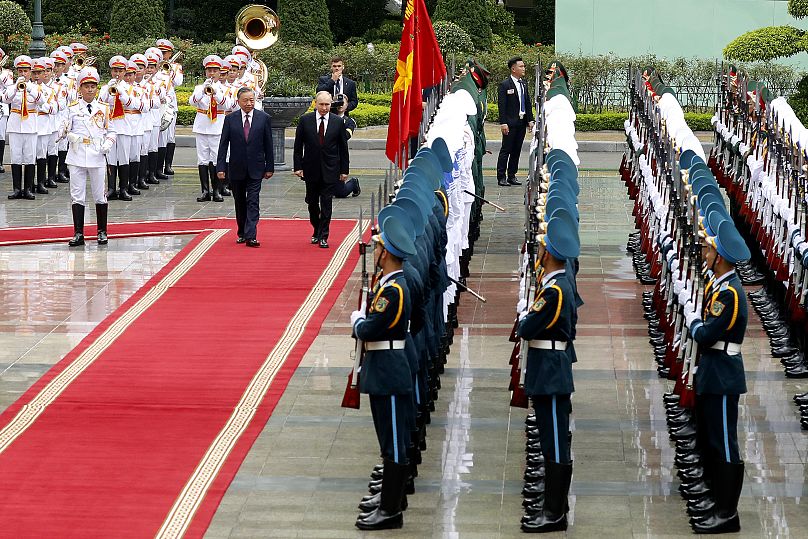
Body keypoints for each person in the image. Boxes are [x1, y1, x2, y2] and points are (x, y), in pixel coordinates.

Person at [680, 217, 749, 534]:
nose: (704, 254)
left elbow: (707, 334)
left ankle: (727, 512)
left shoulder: (730, 295)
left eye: (708, 250)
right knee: (711, 438)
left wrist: (693, 321)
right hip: (712, 371)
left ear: (720, 257)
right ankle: (715, 500)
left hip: (722, 375)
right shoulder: (719, 286)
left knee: (724, 442)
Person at [350, 214, 416, 531]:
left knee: (393, 443)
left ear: (386, 253)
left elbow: (372, 327)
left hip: (388, 372)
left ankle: (390, 510)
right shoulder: (390, 286)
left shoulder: (394, 291)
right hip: (385, 369)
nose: (373, 252)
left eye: (376, 248)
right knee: (389, 441)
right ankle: (390, 501)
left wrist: (357, 323)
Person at [517, 216, 579, 533]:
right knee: (550, 440)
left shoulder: (554, 290)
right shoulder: (556, 284)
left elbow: (527, 328)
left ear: (550, 253)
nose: (538, 252)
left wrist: (525, 314)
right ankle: (554, 505)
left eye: (542, 248)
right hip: (550, 368)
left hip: (551, 371)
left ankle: (554, 512)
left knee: (554, 442)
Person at [216, 87, 274, 247]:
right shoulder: (230, 119)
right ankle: (242, 231)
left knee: (253, 200)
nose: (249, 103)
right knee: (240, 201)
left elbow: (269, 145)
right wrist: (220, 167)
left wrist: (270, 167)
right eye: (245, 100)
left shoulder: (264, 118)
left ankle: (251, 235)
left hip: (256, 168)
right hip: (236, 168)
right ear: (238, 101)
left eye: (251, 100)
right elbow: (223, 145)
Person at [65, 67, 115, 247]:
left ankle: (102, 232)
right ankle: (78, 233)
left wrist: (108, 144)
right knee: (77, 195)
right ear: (80, 88)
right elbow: (62, 130)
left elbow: (112, 131)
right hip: (77, 154)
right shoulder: (71, 108)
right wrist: (69, 135)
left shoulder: (104, 108)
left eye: (93, 86)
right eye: (86, 86)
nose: (90, 89)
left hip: (96, 154)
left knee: (100, 195)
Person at [293, 91, 350, 249]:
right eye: (321, 104)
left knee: (326, 202)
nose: (324, 108)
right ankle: (316, 228)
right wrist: (298, 166)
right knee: (312, 203)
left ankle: (324, 235)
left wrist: (344, 170)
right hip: (310, 168)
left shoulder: (338, 122)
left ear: (331, 104)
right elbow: (298, 146)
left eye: (327, 104)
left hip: (331, 168)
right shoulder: (305, 120)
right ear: (315, 104)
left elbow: (343, 148)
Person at [5, 55, 42, 200]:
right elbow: (6, 99)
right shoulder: (11, 87)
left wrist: (30, 89)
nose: (23, 74)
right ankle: (16, 189)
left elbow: (42, 101)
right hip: (15, 125)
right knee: (15, 157)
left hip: (30, 125)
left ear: (30, 72)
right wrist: (16, 87)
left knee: (30, 157)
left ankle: (28, 189)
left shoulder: (35, 87)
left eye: (25, 71)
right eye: (20, 71)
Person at [497, 56, 534, 187]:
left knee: (517, 150)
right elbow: (502, 105)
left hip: (521, 122)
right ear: (513, 69)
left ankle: (512, 175)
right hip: (510, 123)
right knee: (506, 149)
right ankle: (501, 176)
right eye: (521, 66)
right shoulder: (505, 85)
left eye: (523, 66)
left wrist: (530, 120)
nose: (523, 68)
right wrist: (503, 122)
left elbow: (527, 103)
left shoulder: (523, 84)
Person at [331, 94, 360, 198]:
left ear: (347, 105)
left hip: (339, 156)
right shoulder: (326, 117)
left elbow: (346, 136)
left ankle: (353, 183)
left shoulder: (349, 121)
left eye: (343, 103)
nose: (340, 105)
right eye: (337, 102)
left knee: (340, 193)